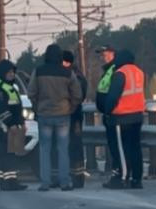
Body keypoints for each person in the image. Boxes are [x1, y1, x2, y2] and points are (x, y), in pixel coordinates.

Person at [28, 44, 83, 192]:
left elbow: (31, 92)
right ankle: (64, 182)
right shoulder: (67, 73)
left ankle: (45, 183)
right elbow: (77, 94)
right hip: (63, 115)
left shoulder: (38, 71)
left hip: (44, 115)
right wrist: (71, 107)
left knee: (45, 149)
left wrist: (36, 107)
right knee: (63, 149)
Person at [102, 49, 145, 189]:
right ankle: (137, 179)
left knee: (121, 150)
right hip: (137, 116)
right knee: (135, 149)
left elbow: (113, 96)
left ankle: (122, 178)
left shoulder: (120, 73)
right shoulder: (139, 72)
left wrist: (107, 112)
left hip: (121, 117)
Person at [0, 59, 28, 191]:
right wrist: (11, 125)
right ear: (3, 73)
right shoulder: (0, 89)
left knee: (12, 154)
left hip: (14, 126)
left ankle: (12, 180)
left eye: (13, 72)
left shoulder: (10, 87)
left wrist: (22, 123)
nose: (12, 74)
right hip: (5, 127)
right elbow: (1, 110)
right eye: (9, 72)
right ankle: (6, 182)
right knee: (6, 154)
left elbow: (17, 108)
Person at [94, 45, 122, 188]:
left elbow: (113, 93)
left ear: (112, 54)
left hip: (114, 114)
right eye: (100, 55)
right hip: (109, 114)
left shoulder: (115, 70)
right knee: (113, 147)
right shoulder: (107, 70)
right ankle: (117, 174)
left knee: (117, 148)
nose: (101, 58)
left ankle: (119, 175)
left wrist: (109, 109)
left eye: (104, 54)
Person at [62, 50, 88, 189]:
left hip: (72, 115)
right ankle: (76, 177)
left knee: (74, 146)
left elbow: (77, 96)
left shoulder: (73, 76)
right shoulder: (78, 75)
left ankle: (77, 177)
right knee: (74, 145)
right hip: (75, 114)